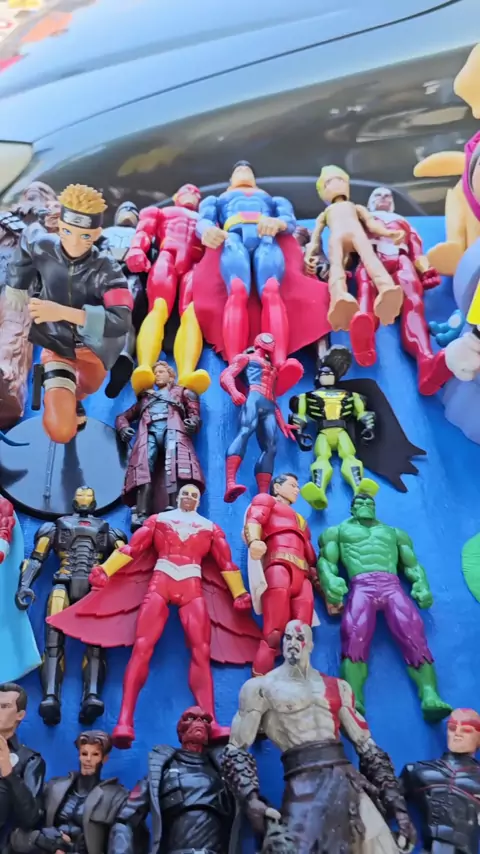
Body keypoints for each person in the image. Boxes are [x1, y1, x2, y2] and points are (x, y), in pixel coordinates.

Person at [222, 620, 416, 854]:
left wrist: (396, 804)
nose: (293, 643)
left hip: (347, 782)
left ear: (311, 644)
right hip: (302, 788)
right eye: (288, 637)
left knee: (383, 848)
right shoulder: (261, 688)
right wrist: (250, 799)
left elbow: (367, 746)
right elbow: (236, 749)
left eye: (299, 638)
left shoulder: (338, 688)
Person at [6, 183, 133, 444]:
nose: (74, 242)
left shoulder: (108, 271)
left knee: (88, 386)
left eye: (84, 236)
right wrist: (17, 284)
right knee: (61, 430)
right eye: (67, 231)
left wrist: (61, 312)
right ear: (60, 226)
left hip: (94, 349)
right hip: (56, 344)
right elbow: (26, 244)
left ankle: (74, 397)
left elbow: (120, 320)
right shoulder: (44, 245)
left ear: (96, 234)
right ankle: (61, 393)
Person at [9, 730, 148, 854]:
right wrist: (42, 839)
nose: (88, 759)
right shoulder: (54, 787)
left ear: (104, 758)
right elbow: (27, 821)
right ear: (79, 756)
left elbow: (126, 839)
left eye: (95, 754)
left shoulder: (116, 797)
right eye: (84, 754)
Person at [132, 706, 241, 854]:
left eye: (204, 720)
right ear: (181, 730)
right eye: (191, 719)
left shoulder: (222, 771)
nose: (199, 723)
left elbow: (250, 802)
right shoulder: (161, 772)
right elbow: (128, 816)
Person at [116, 360, 204, 529]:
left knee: (174, 466)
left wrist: (193, 422)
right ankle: (142, 512)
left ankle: (174, 507)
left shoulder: (182, 392)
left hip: (173, 429)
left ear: (171, 376)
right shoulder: (145, 398)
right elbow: (123, 417)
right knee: (144, 469)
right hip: (149, 431)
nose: (157, 375)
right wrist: (123, 428)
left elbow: (194, 413)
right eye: (155, 373)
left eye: (161, 372)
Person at [401, 708, 480, 854]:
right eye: (452, 728)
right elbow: (388, 802)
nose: (457, 734)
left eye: (467, 730)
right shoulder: (418, 771)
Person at [0, 683, 45, 849]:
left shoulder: (30, 759)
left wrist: (9, 773)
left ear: (20, 715)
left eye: (4, 706)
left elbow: (31, 817)